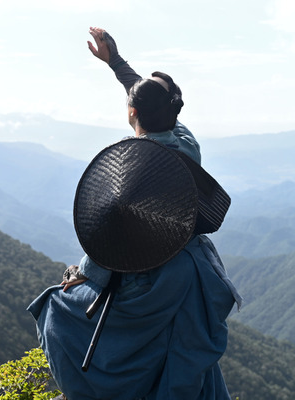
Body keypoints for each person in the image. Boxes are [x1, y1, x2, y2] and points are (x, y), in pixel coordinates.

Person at [27, 27, 242, 400]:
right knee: (183, 359)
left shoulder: (128, 167)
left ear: (131, 113)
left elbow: (112, 235)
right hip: (194, 271)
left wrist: (83, 273)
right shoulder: (187, 146)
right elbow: (154, 104)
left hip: (153, 279)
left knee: (57, 310)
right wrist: (117, 64)